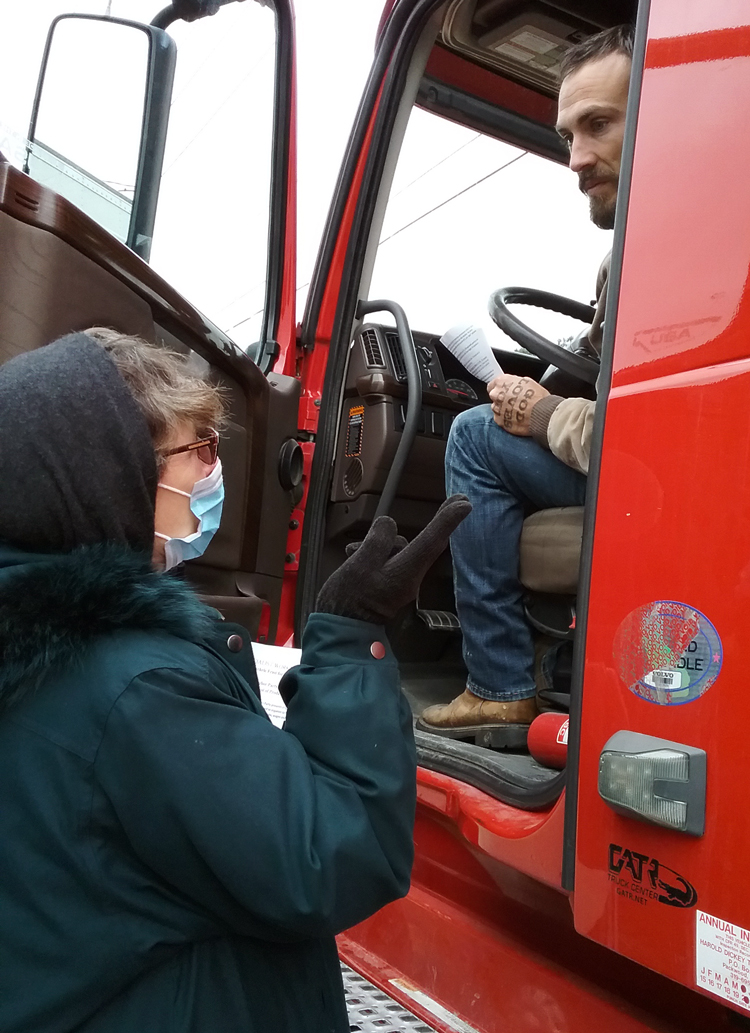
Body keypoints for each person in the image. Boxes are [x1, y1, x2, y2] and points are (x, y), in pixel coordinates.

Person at [0, 328, 470, 1033]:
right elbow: (332, 853)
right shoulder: (137, 689)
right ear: (110, 471)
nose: (213, 476)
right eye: (199, 450)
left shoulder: (43, 637)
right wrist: (348, 637)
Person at [418, 25, 633, 739]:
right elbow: (602, 370)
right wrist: (540, 386)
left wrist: (541, 413)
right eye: (569, 134)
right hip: (640, 459)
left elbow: (644, 428)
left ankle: (500, 682)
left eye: (599, 125)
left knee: (477, 436)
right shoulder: (625, 254)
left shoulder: (671, 256)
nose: (575, 158)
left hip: (656, 475)